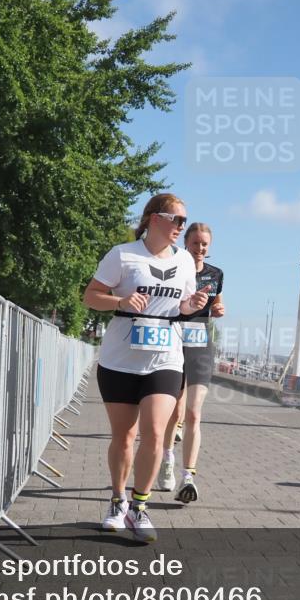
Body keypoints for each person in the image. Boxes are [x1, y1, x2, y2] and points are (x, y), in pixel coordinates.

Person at [83, 193, 210, 542]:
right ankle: (117, 501)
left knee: (154, 432)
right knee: (124, 437)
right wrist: (120, 300)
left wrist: (193, 304)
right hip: (120, 360)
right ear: (155, 218)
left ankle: (140, 506)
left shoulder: (185, 262)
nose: (181, 227)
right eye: (177, 220)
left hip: (165, 358)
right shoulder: (123, 254)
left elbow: (182, 307)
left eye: (184, 221)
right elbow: (90, 296)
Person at [156, 223, 225, 503]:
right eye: (195, 242)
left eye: (204, 243)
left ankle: (188, 477)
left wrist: (218, 309)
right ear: (186, 242)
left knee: (194, 414)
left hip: (201, 342)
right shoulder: (174, 268)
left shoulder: (216, 274)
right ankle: (167, 459)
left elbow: (217, 303)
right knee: (175, 412)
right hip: (174, 340)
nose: (200, 248)